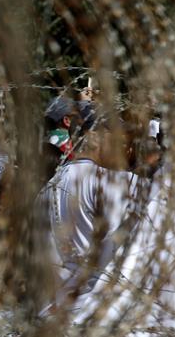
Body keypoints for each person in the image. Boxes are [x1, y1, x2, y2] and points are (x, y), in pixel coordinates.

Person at [34, 106, 139, 311]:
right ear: (93, 137)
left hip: (53, 314)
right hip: (90, 313)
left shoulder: (46, 189)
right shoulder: (105, 181)